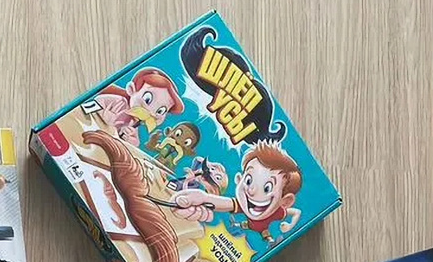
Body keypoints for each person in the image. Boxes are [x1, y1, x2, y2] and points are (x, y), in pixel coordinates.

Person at [172, 140, 302, 242]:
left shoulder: (278, 212)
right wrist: (201, 198)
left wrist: (289, 226)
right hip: (245, 225)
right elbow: (220, 202)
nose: (251, 190)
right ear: (239, 179)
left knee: (263, 234)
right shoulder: (240, 204)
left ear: (285, 201)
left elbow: (296, 212)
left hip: (259, 229)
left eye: (267, 188)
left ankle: (271, 241)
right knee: (241, 226)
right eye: (248, 180)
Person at [95, 68, 184, 146]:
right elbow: (98, 101)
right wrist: (106, 116)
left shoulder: (133, 122)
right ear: (131, 89)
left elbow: (136, 143)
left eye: (160, 111)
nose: (151, 112)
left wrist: (129, 138)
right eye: (147, 99)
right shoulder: (120, 102)